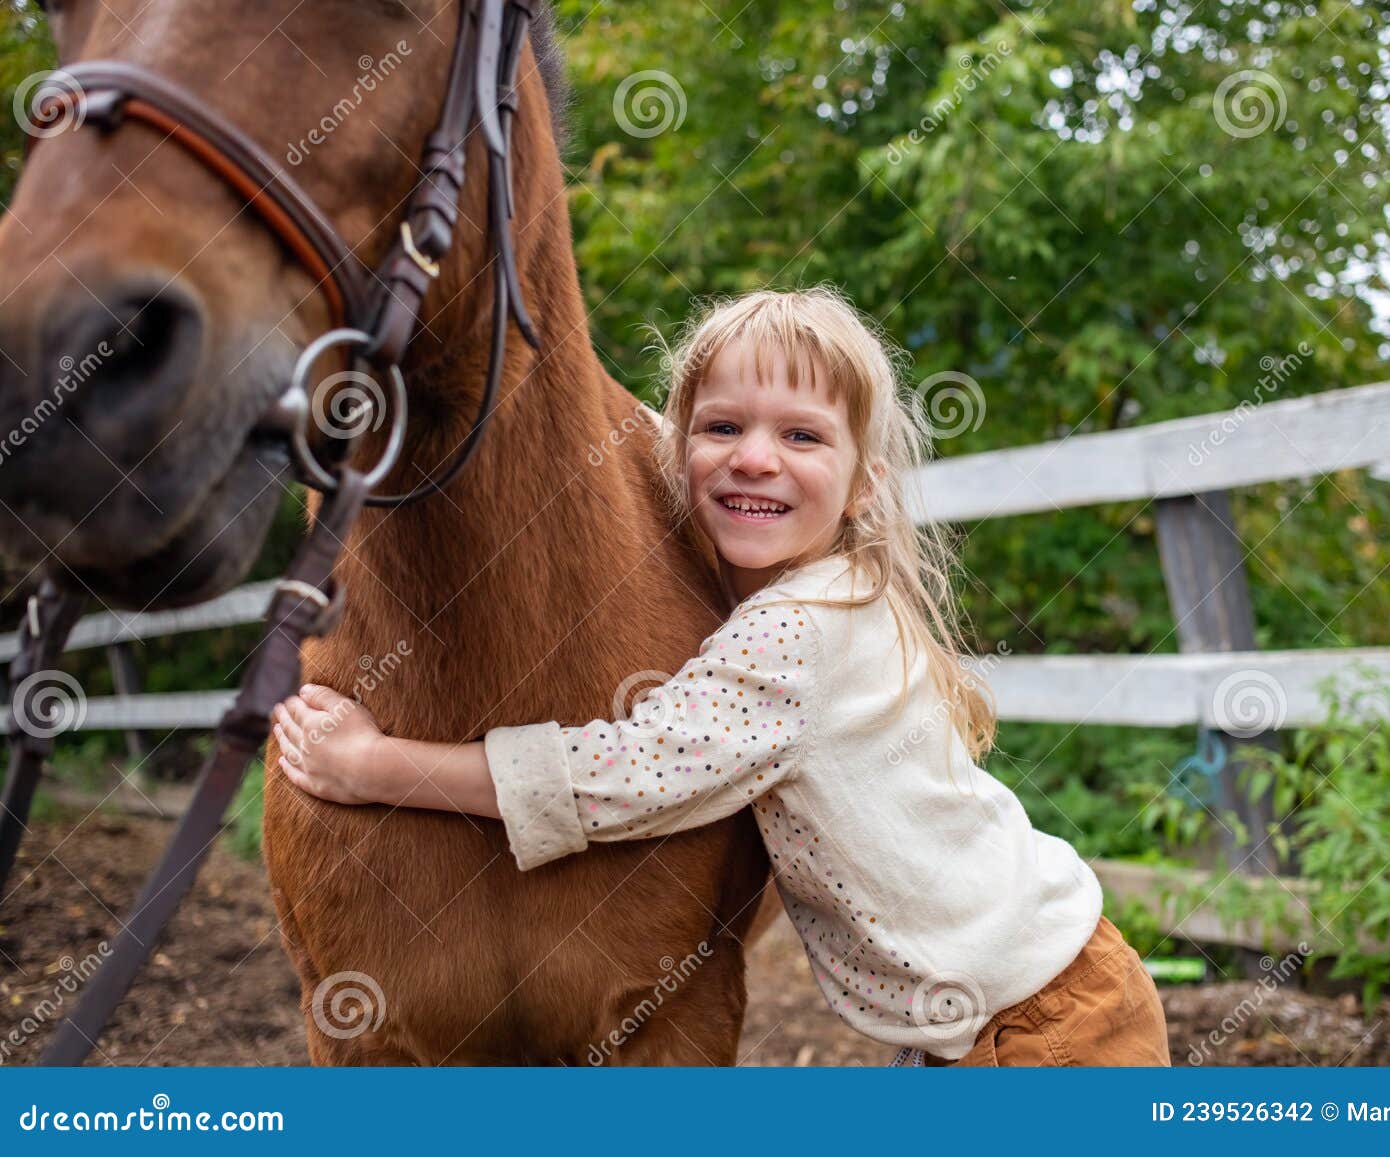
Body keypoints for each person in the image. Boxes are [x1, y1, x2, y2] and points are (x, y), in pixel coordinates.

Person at [274, 286, 1170, 1067]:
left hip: (1042, 1032)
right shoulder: (844, 584)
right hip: (1010, 1003)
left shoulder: (795, 635)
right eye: (723, 427)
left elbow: (625, 776)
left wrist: (379, 767)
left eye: (802, 435)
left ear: (865, 484)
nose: (753, 457)